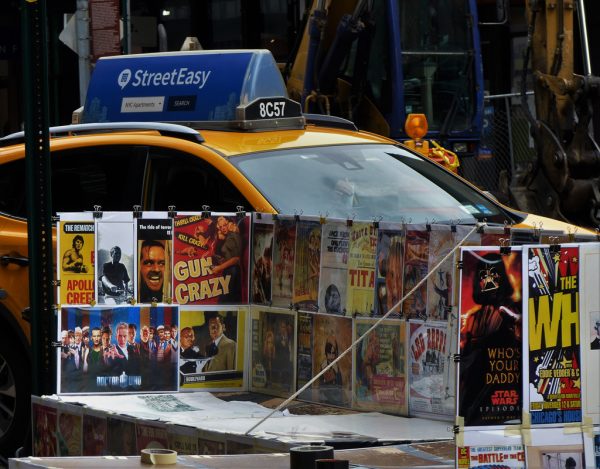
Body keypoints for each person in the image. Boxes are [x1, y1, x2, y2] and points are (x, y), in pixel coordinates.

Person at [212, 216, 242, 301]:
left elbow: (236, 259)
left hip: (233, 271)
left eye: (224, 225)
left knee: (226, 300)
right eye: (221, 227)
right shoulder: (227, 237)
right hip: (228, 271)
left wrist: (219, 267)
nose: (223, 228)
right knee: (225, 299)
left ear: (229, 223)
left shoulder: (232, 236)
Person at [319, 335, 344, 405]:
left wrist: (336, 374)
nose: (331, 356)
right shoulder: (323, 365)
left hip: (336, 395)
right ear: (326, 354)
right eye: (329, 353)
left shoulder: (336, 366)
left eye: (333, 353)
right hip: (326, 395)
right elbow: (321, 382)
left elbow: (340, 382)